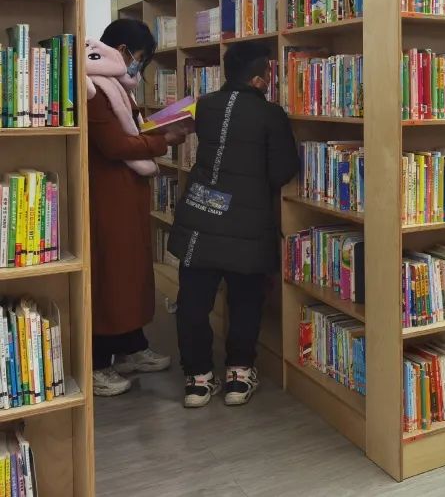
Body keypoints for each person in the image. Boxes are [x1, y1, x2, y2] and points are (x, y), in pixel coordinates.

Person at [168, 43, 297, 408]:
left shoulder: (204, 105)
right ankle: (239, 375)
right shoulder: (271, 114)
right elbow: (281, 171)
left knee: (193, 301)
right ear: (258, 78)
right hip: (246, 222)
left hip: (199, 217)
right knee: (245, 301)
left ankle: (197, 379)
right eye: (268, 74)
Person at [87, 20, 187, 396]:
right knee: (111, 276)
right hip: (108, 197)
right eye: (139, 58)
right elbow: (115, 145)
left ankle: (131, 345)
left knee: (130, 272)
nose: (138, 66)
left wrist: (161, 129)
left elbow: (130, 132)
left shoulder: (117, 86)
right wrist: (164, 141)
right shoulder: (94, 88)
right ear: (122, 50)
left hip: (125, 194)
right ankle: (98, 363)